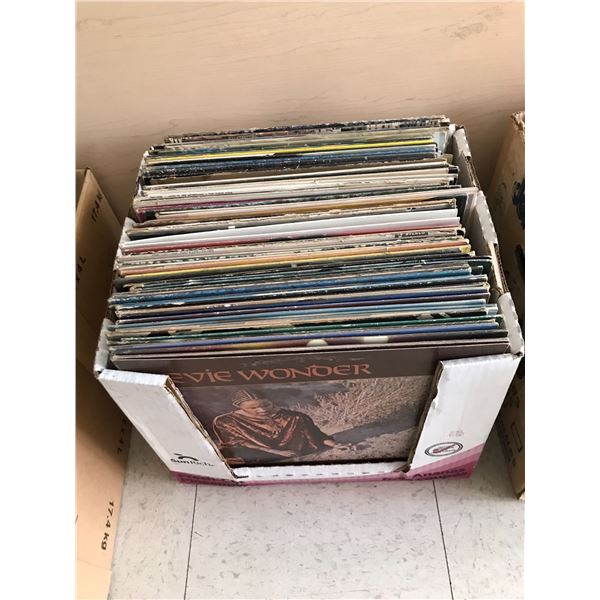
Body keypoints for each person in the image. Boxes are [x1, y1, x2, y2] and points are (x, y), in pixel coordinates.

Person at [212, 391, 348, 464]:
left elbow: (316, 436)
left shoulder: (294, 417)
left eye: (266, 405)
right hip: (259, 454)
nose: (262, 410)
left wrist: (336, 445)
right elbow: (237, 444)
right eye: (253, 408)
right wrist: (277, 453)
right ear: (239, 407)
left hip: (297, 453)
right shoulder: (226, 421)